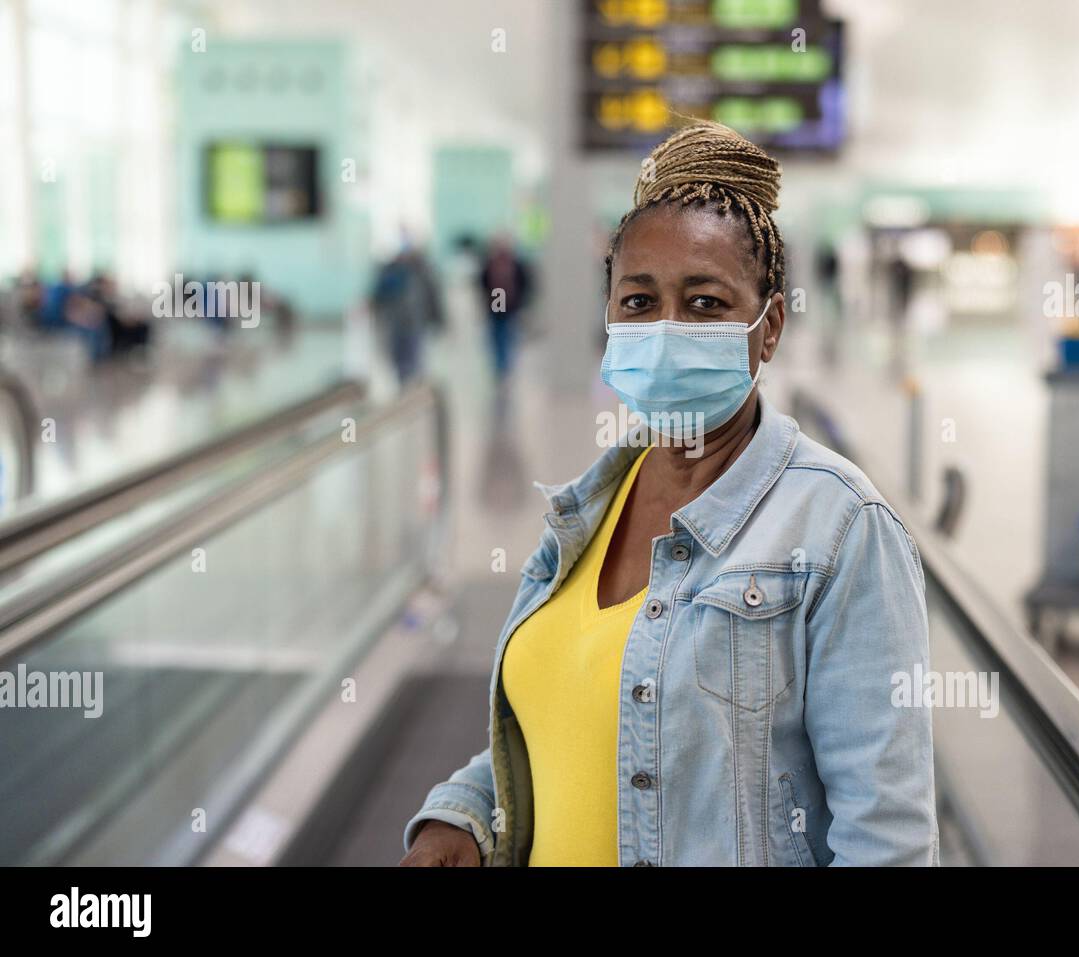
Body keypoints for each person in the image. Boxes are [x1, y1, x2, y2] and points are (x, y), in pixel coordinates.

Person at [401, 122, 937, 867]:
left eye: (707, 303)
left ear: (769, 326)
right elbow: (569, 717)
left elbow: (889, 841)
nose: (666, 328)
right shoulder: (588, 507)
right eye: (640, 300)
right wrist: (462, 811)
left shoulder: (841, 528)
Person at [371, 240, 444, 385]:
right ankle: (404, 386)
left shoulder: (421, 270)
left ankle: (415, 387)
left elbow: (432, 295)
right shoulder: (389, 271)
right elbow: (378, 295)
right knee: (399, 358)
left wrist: (439, 318)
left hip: (416, 322)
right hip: (395, 322)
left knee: (415, 357)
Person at [478, 235, 531, 381]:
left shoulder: (511, 264)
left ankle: (505, 364)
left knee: (506, 335)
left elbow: (523, 283)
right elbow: (483, 283)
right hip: (498, 304)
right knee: (500, 335)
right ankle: (502, 364)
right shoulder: (493, 264)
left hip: (507, 305)